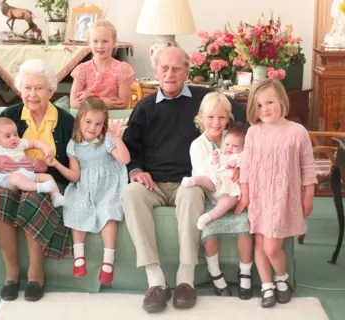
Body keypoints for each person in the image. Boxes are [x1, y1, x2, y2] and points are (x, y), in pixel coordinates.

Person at [121, 46, 247, 313]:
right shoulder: (144, 108)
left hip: (187, 182)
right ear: (155, 72)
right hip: (151, 183)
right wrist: (134, 170)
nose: (170, 74)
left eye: (176, 68)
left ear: (187, 72)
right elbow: (130, 147)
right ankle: (155, 281)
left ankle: (185, 280)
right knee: (130, 193)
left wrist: (244, 152)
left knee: (191, 194)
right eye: (164, 68)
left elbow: (242, 116)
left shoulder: (204, 99)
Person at [0, 59, 74, 302]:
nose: (32, 94)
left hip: (46, 180)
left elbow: (69, 162)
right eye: (27, 88)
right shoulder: (9, 115)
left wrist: (46, 165)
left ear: (50, 90)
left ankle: (35, 273)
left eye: (39, 88)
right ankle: (11, 272)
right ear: (20, 89)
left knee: (33, 197)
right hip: (7, 180)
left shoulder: (64, 120)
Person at [235, 79, 317, 308]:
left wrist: (308, 196)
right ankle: (267, 285)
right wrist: (246, 195)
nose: (264, 109)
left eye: (269, 102)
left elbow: (307, 167)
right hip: (260, 196)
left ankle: (282, 277)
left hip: (284, 198)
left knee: (272, 247)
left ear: (282, 100)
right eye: (259, 105)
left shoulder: (297, 131)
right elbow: (247, 167)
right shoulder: (253, 132)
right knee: (260, 244)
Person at [46, 96, 130, 285]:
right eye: (88, 122)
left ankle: (108, 262)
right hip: (84, 185)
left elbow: (124, 160)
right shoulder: (73, 145)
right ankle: (79, 257)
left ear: (104, 125)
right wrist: (57, 164)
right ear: (80, 120)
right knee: (77, 206)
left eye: (98, 124)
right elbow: (75, 176)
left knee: (108, 212)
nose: (92, 128)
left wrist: (117, 138)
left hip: (108, 185)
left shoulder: (107, 139)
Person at [181, 92, 253, 300]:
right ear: (201, 117)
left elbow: (247, 160)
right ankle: (216, 274)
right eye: (211, 117)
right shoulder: (198, 145)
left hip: (236, 195)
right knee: (208, 231)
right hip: (213, 197)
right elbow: (205, 177)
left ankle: (245, 273)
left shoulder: (233, 140)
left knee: (244, 227)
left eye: (221, 118)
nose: (216, 123)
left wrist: (240, 170)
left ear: (228, 119)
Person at [0, 117, 65, 207]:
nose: (13, 138)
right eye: (8, 136)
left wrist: (45, 148)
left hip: (26, 173)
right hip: (7, 178)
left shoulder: (20, 143)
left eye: (15, 134)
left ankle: (56, 196)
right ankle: (39, 187)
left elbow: (35, 143)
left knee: (47, 177)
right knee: (17, 178)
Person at [70, 19, 135, 109]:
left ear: (114, 42)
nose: (100, 46)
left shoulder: (122, 69)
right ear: (89, 42)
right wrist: (105, 103)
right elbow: (73, 103)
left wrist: (92, 98)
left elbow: (123, 104)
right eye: (95, 41)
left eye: (105, 41)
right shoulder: (82, 69)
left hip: (114, 120)